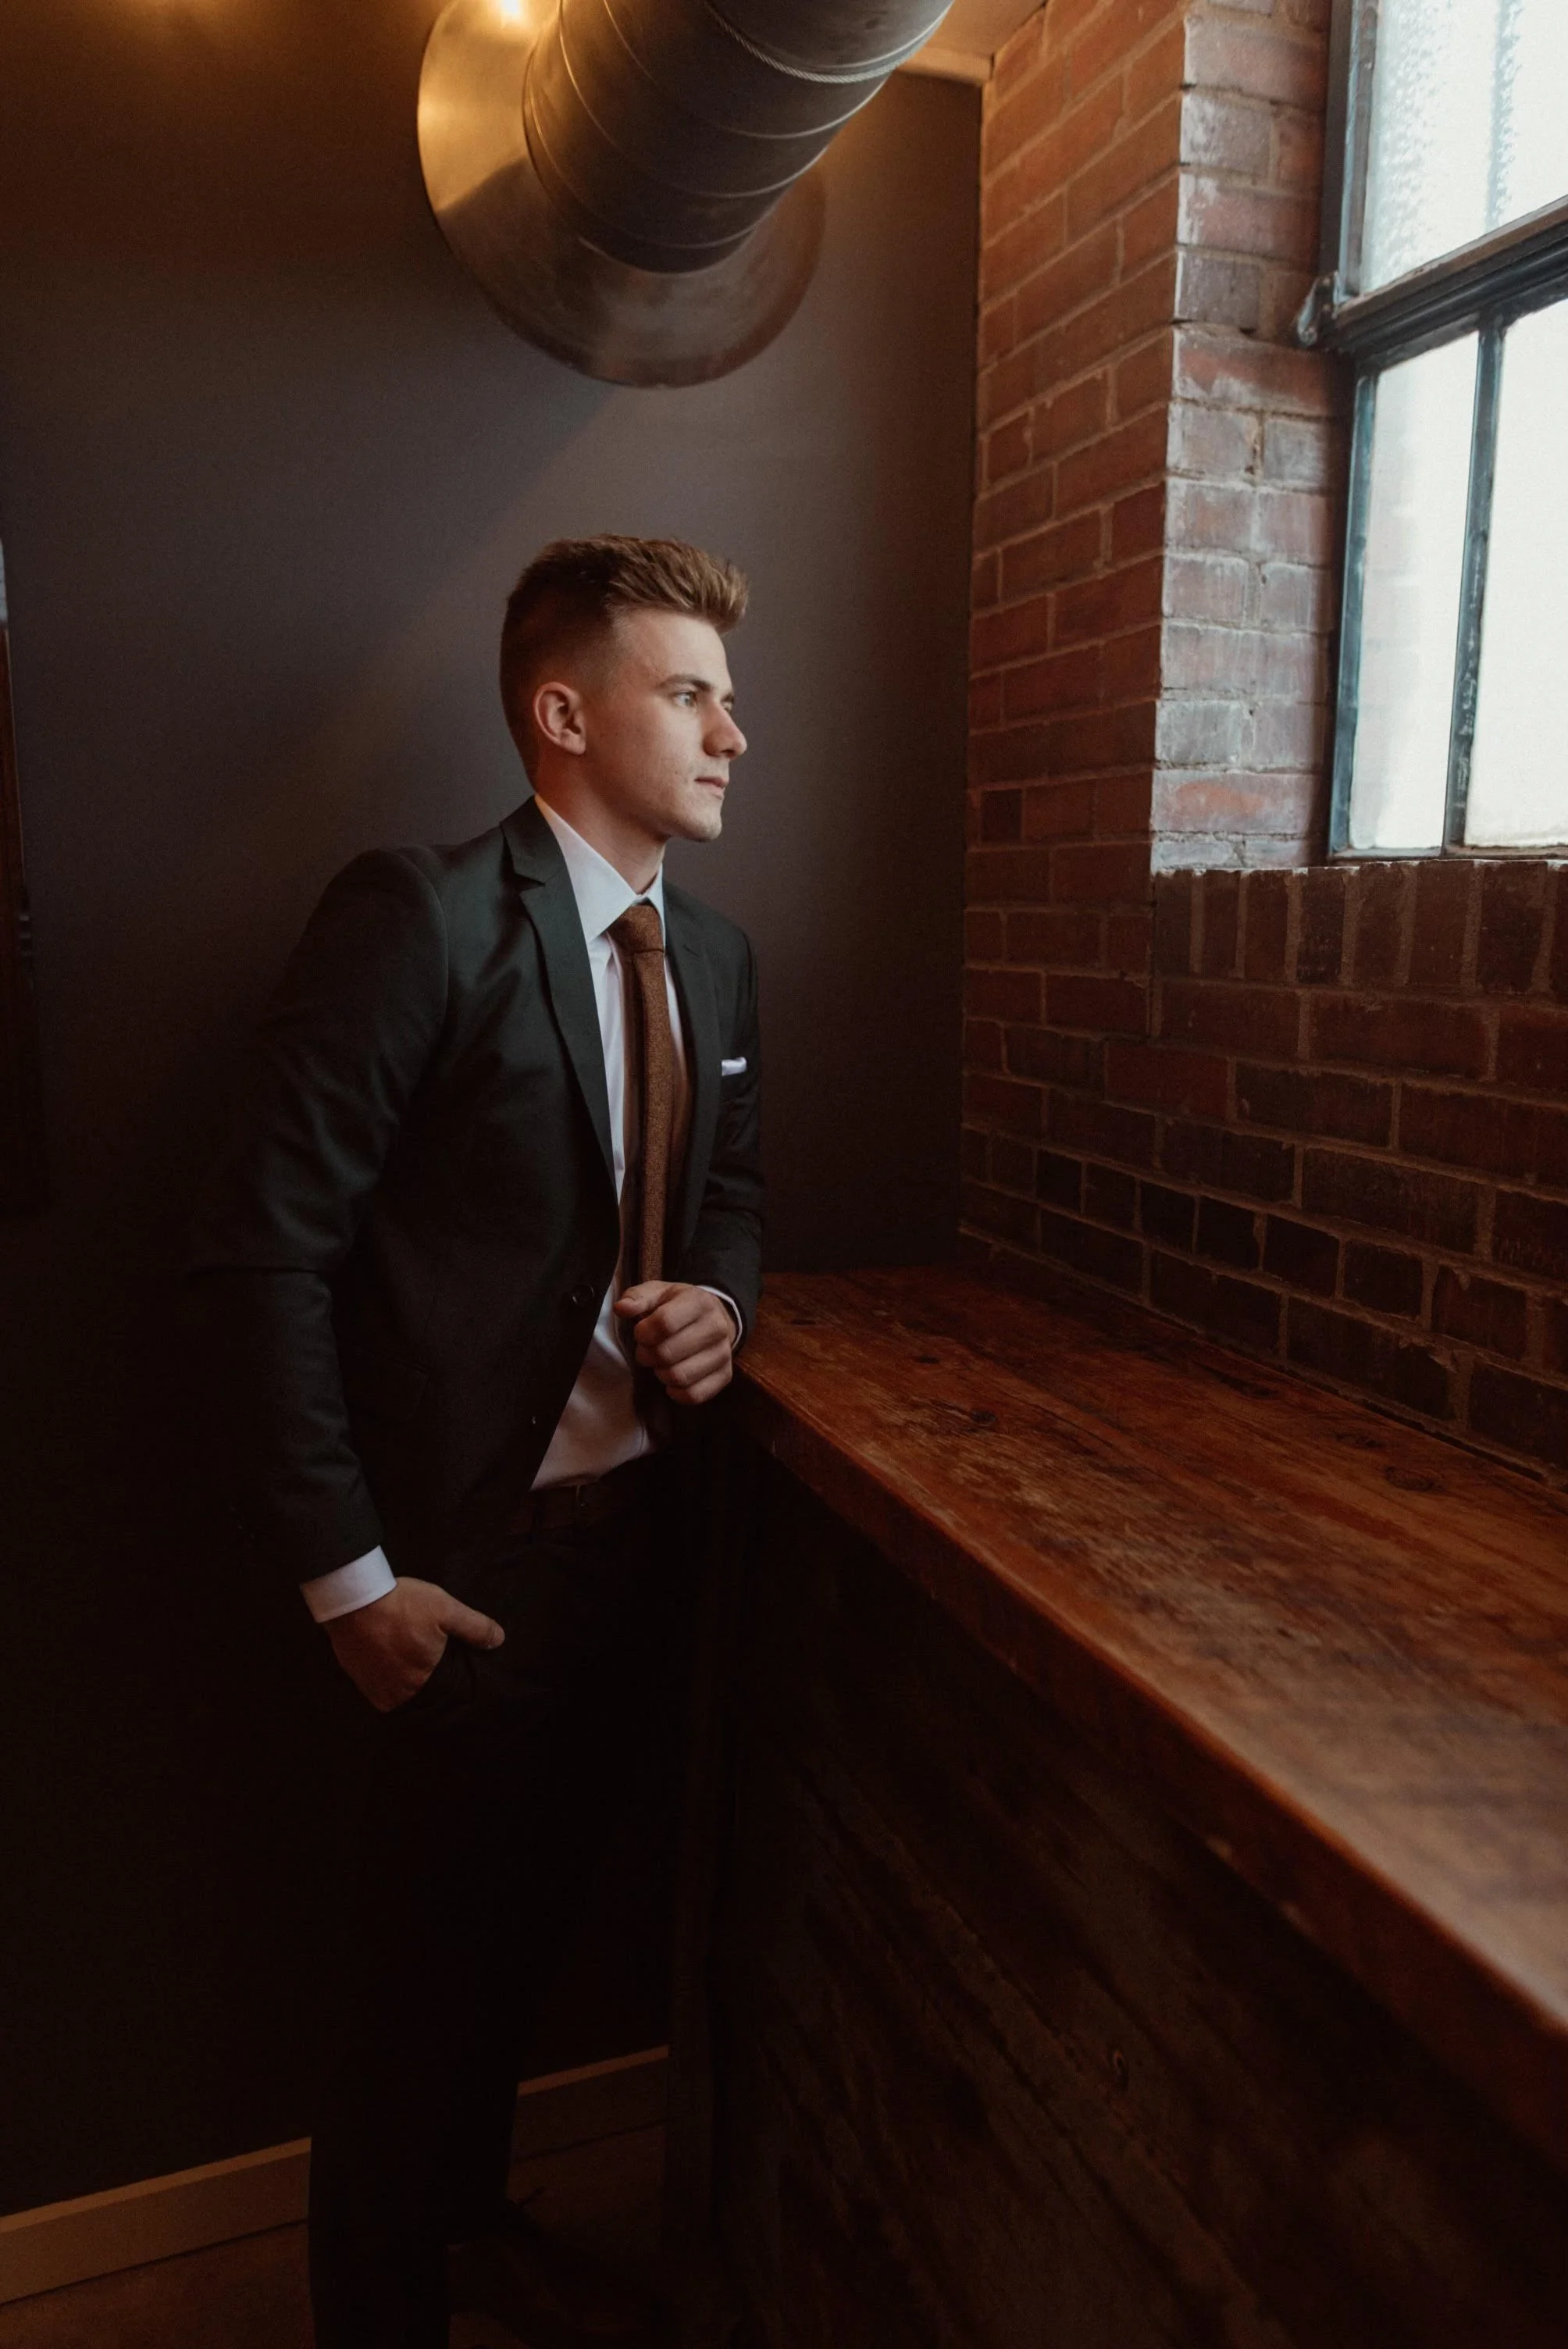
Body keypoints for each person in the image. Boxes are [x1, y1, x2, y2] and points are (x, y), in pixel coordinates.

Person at [187, 535, 764, 2349]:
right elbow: (255, 1251)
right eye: (689, 693)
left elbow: (726, 1191)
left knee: (527, 1957)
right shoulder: (422, 916)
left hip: (633, 1553)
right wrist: (352, 1583)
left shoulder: (724, 959)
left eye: (727, 697)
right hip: (451, 1571)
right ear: (563, 709)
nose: (733, 732)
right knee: (403, 1998)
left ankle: (469, 2240)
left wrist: (716, 1306)